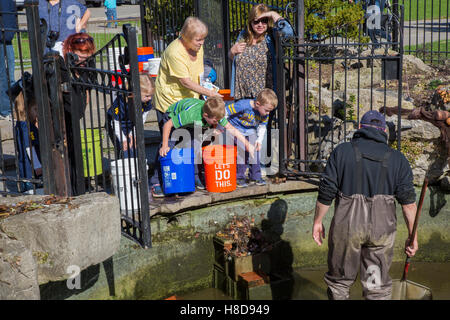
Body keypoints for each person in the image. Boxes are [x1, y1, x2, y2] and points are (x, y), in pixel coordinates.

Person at [311, 110, 419, 300]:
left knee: (340, 282)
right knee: (375, 284)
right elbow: (408, 203)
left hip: (347, 228)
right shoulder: (398, 159)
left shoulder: (342, 151)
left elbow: (326, 190)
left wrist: (318, 221)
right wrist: (413, 235)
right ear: (384, 130)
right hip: (381, 231)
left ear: (360, 128)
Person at [150, 16, 222, 197]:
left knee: (190, 142)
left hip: (191, 103)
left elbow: (197, 75)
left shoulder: (197, 47)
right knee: (171, 143)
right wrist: (211, 94)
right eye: (198, 40)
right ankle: (157, 180)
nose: (202, 43)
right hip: (170, 103)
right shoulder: (175, 52)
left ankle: (190, 176)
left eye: (203, 39)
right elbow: (186, 82)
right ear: (186, 37)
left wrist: (207, 89)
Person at [158, 97, 255, 191]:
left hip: (192, 124)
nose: (217, 122)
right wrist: (165, 145)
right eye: (215, 121)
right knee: (166, 149)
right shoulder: (191, 114)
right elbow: (168, 125)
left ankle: (196, 176)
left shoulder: (215, 114)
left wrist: (247, 144)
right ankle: (157, 181)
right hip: (172, 117)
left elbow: (231, 129)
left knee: (195, 147)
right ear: (205, 115)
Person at [228, 4, 293, 100]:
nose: (260, 25)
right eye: (256, 21)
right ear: (250, 22)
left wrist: (272, 14)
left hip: (264, 98)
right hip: (242, 94)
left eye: (264, 21)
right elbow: (233, 58)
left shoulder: (271, 35)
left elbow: (289, 33)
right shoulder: (243, 35)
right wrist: (232, 51)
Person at [225, 88, 278, 187]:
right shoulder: (243, 105)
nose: (268, 113)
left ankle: (255, 176)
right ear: (258, 104)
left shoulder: (265, 113)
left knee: (255, 150)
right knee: (242, 150)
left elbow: (262, 126)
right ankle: (239, 177)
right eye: (266, 110)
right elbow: (225, 111)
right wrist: (223, 126)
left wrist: (259, 140)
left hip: (250, 130)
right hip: (236, 128)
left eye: (270, 111)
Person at [107, 73, 155, 158]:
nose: (150, 98)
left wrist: (133, 133)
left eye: (151, 95)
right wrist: (123, 139)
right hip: (116, 125)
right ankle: (124, 168)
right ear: (135, 92)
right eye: (147, 96)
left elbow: (141, 119)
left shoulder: (147, 102)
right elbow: (115, 123)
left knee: (135, 148)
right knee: (124, 149)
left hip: (132, 124)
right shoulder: (121, 102)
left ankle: (136, 168)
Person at [0, 0, 17, 120]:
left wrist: (12, 30)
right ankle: (5, 110)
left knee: (9, 75)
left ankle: (9, 108)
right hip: (2, 39)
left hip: (7, 39)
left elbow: (13, 13)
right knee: (4, 75)